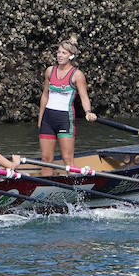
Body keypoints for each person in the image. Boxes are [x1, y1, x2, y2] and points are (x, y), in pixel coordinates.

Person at [37, 36, 96, 173]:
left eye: (63, 53)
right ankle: (46, 190)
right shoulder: (49, 71)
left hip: (65, 120)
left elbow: (84, 97)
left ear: (71, 56)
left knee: (67, 159)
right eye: (58, 52)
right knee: (46, 159)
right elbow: (45, 95)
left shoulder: (77, 75)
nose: (59, 55)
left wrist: (88, 112)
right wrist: (40, 118)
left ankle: (74, 190)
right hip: (47, 119)